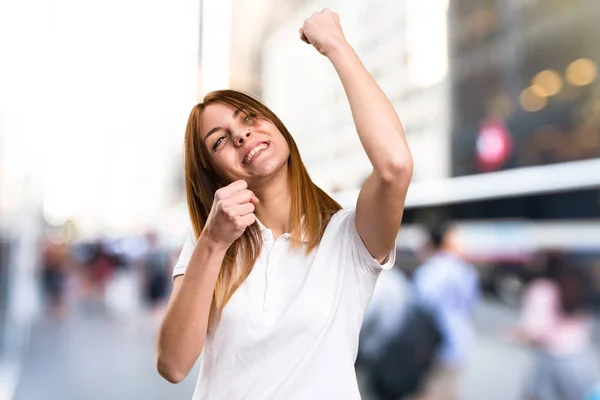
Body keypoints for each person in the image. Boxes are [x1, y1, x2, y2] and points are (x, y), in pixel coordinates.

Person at [156, 9, 413, 400]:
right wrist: (212, 243)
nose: (241, 134)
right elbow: (173, 364)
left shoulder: (349, 238)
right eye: (220, 141)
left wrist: (336, 46)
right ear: (215, 173)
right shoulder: (209, 242)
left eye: (249, 118)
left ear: (276, 125)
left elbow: (395, 165)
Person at [509, 251, 597, 400]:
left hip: (549, 361)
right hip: (578, 360)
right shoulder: (574, 285)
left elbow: (535, 330)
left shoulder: (541, 289)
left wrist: (513, 334)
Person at [411, 222, 479, 400]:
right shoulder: (466, 269)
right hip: (461, 342)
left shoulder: (431, 270)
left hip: (437, 347)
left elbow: (420, 307)